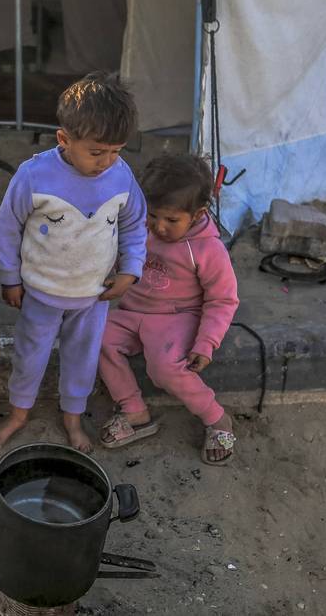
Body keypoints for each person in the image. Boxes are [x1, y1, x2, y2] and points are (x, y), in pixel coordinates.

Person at [0, 72, 147, 452]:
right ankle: (19, 414)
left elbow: (135, 223)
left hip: (93, 298)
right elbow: (7, 227)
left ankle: (72, 419)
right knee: (30, 356)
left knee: (82, 360)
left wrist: (130, 269)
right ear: (64, 139)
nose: (107, 161)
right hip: (40, 293)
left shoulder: (121, 176)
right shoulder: (34, 175)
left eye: (116, 151)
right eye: (96, 152)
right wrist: (10, 278)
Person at [96, 153, 240, 465]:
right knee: (97, 339)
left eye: (172, 220)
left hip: (177, 317)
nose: (159, 227)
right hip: (132, 311)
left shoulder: (207, 249)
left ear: (198, 214)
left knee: (163, 368)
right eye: (153, 215)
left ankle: (216, 418)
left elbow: (223, 299)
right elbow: (121, 257)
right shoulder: (139, 227)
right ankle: (134, 411)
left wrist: (207, 343)